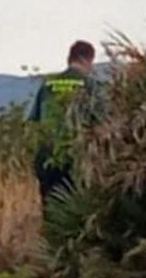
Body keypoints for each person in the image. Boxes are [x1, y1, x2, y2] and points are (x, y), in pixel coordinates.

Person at [29, 40, 98, 206]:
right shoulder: (90, 84)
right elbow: (100, 119)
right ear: (87, 60)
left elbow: (34, 120)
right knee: (76, 207)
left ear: (69, 58)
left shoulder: (48, 84)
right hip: (75, 155)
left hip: (47, 155)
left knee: (51, 208)